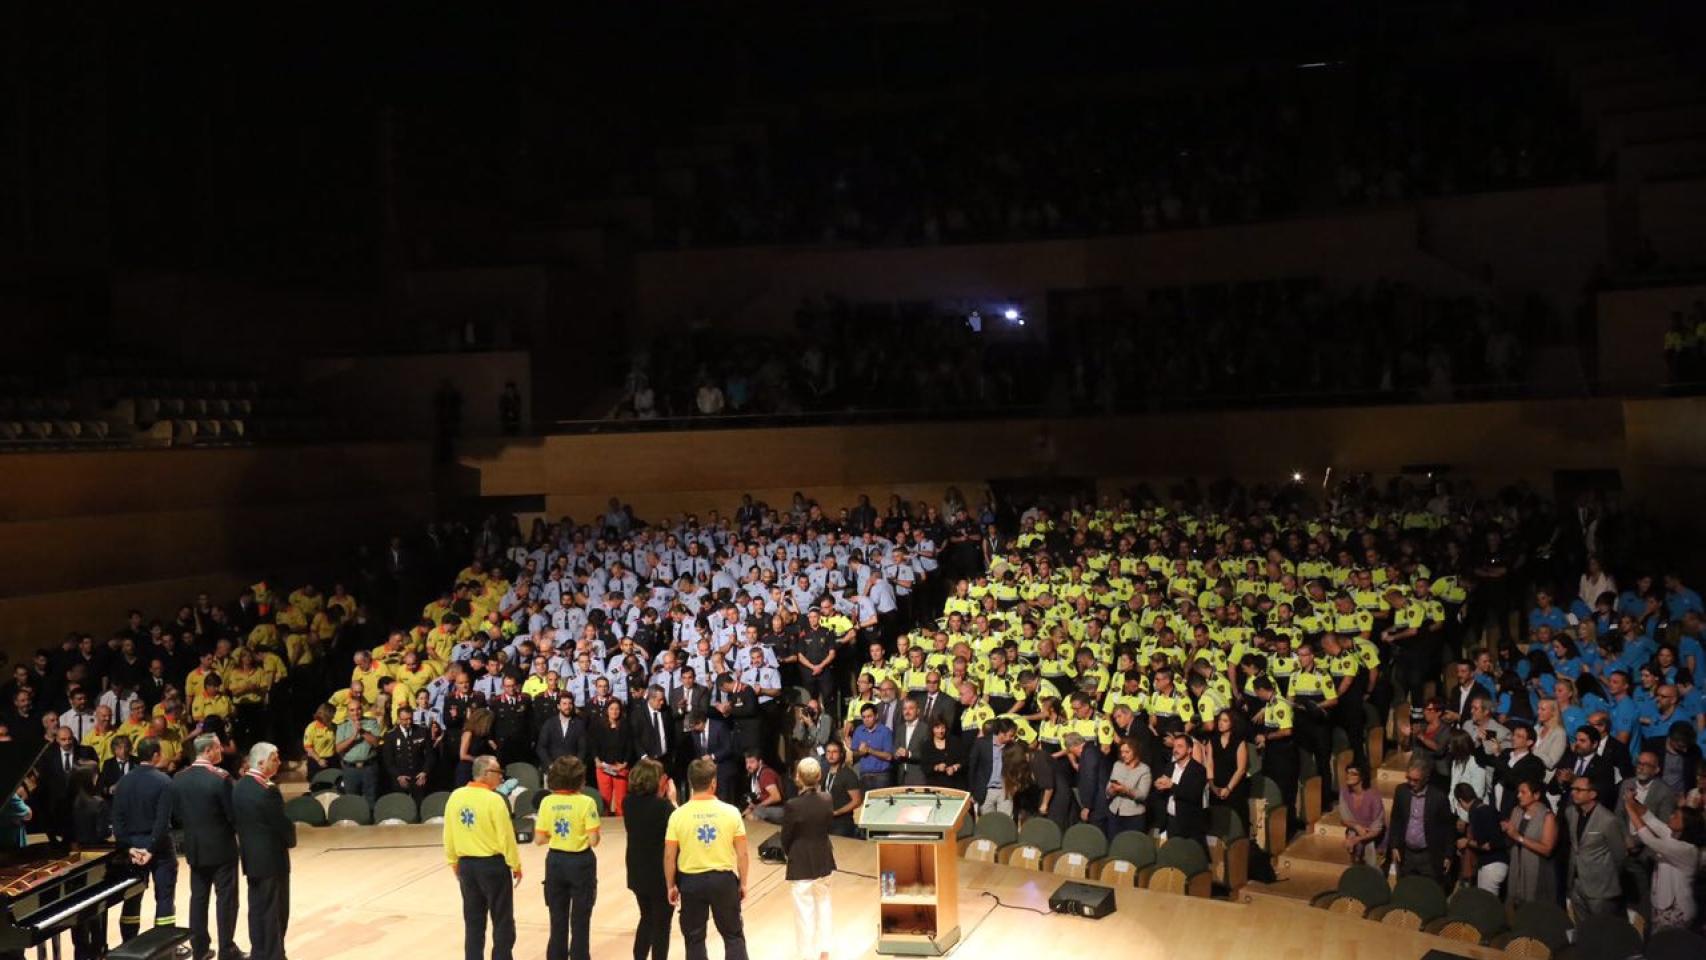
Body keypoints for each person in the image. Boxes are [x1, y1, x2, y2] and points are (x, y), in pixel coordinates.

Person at [664, 757, 750, 960]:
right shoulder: (732, 812)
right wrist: (743, 883)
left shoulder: (678, 815)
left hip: (691, 883)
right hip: (723, 881)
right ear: (714, 783)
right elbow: (743, 853)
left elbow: (669, 855)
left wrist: (670, 885)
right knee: (733, 936)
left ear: (691, 783)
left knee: (694, 939)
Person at [170, 733, 242, 960]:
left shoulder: (179, 778)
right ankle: (227, 950)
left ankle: (200, 949)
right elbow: (233, 815)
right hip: (222, 847)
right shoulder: (220, 778)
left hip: (194, 846)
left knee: (198, 899)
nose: (222, 751)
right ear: (209, 750)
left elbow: (177, 814)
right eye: (219, 748)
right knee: (226, 900)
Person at [443, 755, 522, 960]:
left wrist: (453, 861)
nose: (501, 777)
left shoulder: (455, 796)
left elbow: (448, 833)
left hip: (467, 867)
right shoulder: (495, 800)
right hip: (493, 866)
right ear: (486, 774)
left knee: (473, 922)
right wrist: (515, 865)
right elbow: (506, 837)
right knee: (502, 920)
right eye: (498, 773)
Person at [534, 755, 601, 960]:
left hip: (555, 862)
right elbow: (593, 840)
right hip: (581, 863)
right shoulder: (586, 802)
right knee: (581, 918)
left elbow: (539, 839)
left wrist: (558, 837)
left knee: (557, 917)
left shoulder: (547, 802)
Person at [111, 737, 178, 941]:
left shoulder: (123, 782)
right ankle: (164, 944)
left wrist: (129, 847)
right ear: (156, 755)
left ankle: (129, 944)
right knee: (164, 897)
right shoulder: (164, 781)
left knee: (132, 897)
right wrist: (150, 848)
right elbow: (162, 821)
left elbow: (117, 820)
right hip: (159, 847)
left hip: (132, 847)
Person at [233, 742, 295, 960]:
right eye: (274, 759)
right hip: (272, 860)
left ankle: (259, 952)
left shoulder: (238, 787)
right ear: (260, 762)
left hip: (251, 859)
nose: (278, 762)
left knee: (257, 908)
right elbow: (281, 825)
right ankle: (274, 955)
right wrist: (291, 838)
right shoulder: (268, 791)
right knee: (276, 911)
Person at [780, 757, 835, 960]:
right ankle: (824, 951)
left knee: (804, 912)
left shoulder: (793, 805)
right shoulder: (827, 798)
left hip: (801, 861)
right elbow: (828, 827)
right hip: (823, 858)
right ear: (819, 776)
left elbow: (786, 837)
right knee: (824, 904)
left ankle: (806, 955)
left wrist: (789, 852)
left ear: (798, 778)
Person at [1624, 791, 1705, 930]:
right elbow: (1650, 819)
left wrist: (1629, 808)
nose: (1671, 816)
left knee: (1669, 947)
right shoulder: (1673, 835)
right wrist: (1633, 801)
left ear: (1686, 825)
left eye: (1676, 816)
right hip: (1662, 905)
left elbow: (1649, 839)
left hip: (1677, 910)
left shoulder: (1686, 849)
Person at [624, 759, 674, 960]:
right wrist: (672, 799)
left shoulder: (627, 803)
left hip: (637, 871)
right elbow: (680, 824)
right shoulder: (664, 807)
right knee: (662, 925)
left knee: (646, 918)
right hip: (660, 874)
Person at [1563, 773, 1628, 920]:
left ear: (1592, 794)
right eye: (1573, 788)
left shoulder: (1608, 820)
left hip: (1601, 888)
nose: (1573, 792)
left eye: (1579, 790)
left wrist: (1607, 880)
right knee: (1583, 930)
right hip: (1576, 883)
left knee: (1602, 931)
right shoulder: (1571, 813)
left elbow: (1619, 855)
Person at [1389, 760, 1454, 886]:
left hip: (1429, 855)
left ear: (1426, 778)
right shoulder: (1401, 791)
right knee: (1405, 889)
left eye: (1415, 780)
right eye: (1409, 778)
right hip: (1406, 854)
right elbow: (1395, 819)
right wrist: (1394, 845)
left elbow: (1449, 828)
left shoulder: (1438, 797)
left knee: (1429, 890)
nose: (1411, 783)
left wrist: (1448, 854)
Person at [1501, 779, 1557, 907]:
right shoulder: (1516, 811)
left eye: (1523, 792)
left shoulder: (1547, 816)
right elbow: (1510, 838)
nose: (1518, 795)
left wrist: (1518, 837)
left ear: (1536, 795)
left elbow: (1547, 849)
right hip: (1517, 866)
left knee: (1534, 908)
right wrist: (1506, 830)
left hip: (1537, 869)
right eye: (1518, 792)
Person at [1151, 733, 1207, 843]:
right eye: (1174, 746)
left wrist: (1171, 785)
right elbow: (1163, 790)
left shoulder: (1198, 770)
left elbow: (1193, 794)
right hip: (1170, 822)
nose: (1175, 750)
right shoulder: (1170, 766)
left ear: (1190, 750)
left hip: (1188, 825)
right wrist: (1159, 786)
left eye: (1180, 746)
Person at [1455, 783, 1508, 894]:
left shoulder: (1477, 813)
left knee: (1487, 904)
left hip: (1491, 865)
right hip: (1501, 862)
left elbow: (1486, 845)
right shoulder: (1488, 808)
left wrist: (1467, 842)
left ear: (1460, 801)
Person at [1338, 764, 1386, 867]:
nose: (1348, 776)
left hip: (1375, 839)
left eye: (1353, 774)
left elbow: (1377, 828)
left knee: (1372, 874)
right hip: (1354, 835)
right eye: (1347, 773)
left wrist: (1357, 839)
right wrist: (1357, 827)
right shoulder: (1344, 792)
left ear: (1362, 777)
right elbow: (1344, 819)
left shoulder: (1374, 796)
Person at [1104, 738, 1150, 839]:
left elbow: (1142, 795)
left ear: (1135, 751)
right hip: (1114, 813)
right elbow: (1107, 790)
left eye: (1127, 752)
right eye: (1122, 752)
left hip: (1134, 817)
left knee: (1130, 848)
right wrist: (1112, 790)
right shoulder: (1117, 765)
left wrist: (1125, 790)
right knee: (1114, 845)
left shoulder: (1144, 769)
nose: (1123, 755)